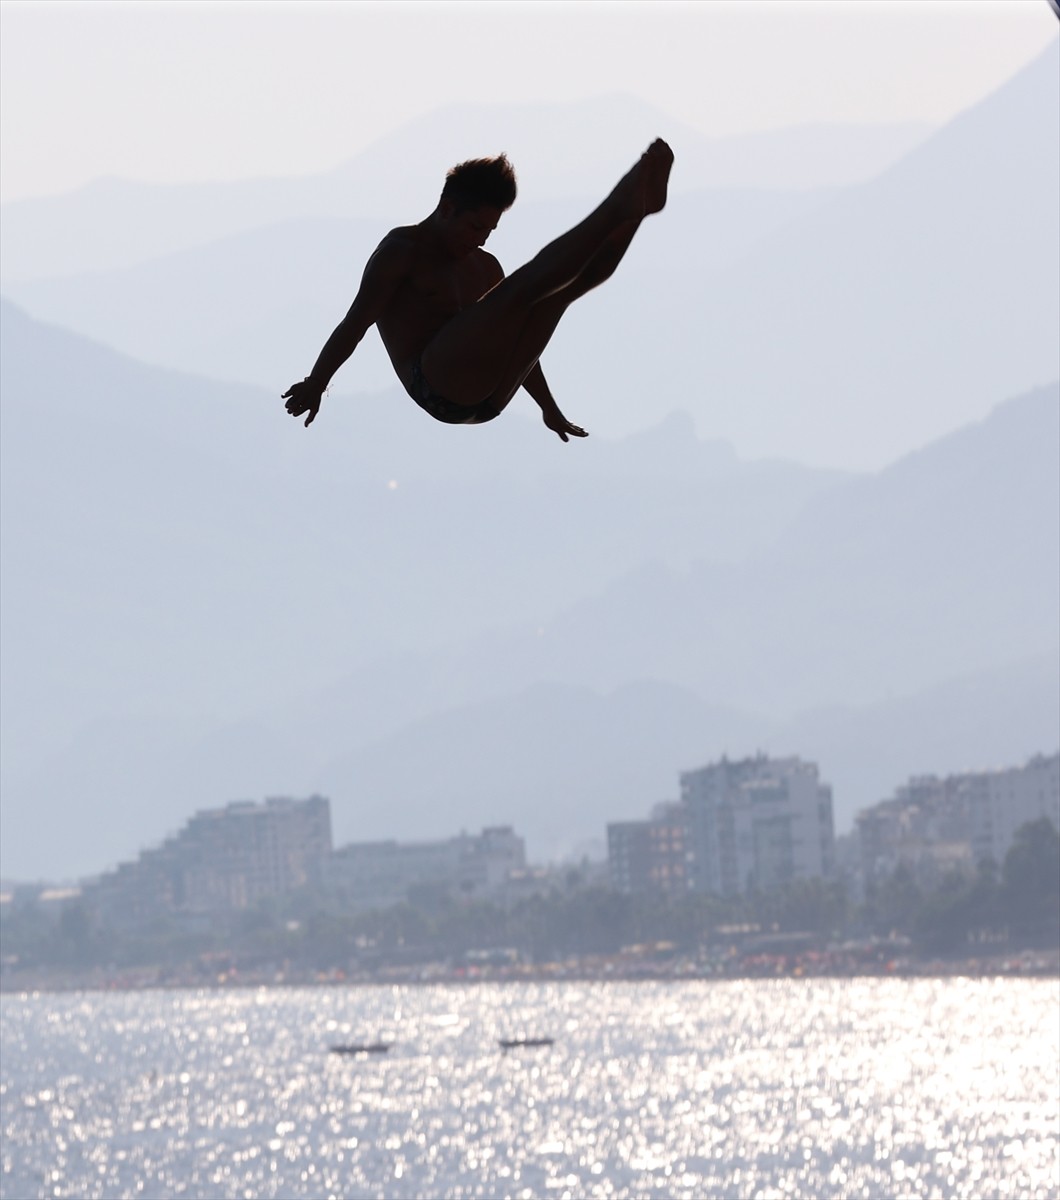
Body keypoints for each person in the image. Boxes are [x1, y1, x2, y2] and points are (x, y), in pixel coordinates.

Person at [282, 139, 674, 442]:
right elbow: (355, 323)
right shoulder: (401, 252)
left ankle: (637, 213)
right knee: (525, 287)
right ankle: (618, 204)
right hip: (435, 385)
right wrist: (317, 382)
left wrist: (548, 409)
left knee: (559, 293)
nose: (482, 241)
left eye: (489, 231)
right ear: (447, 209)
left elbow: (514, 347)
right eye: (475, 228)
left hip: (490, 399)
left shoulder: (483, 266)